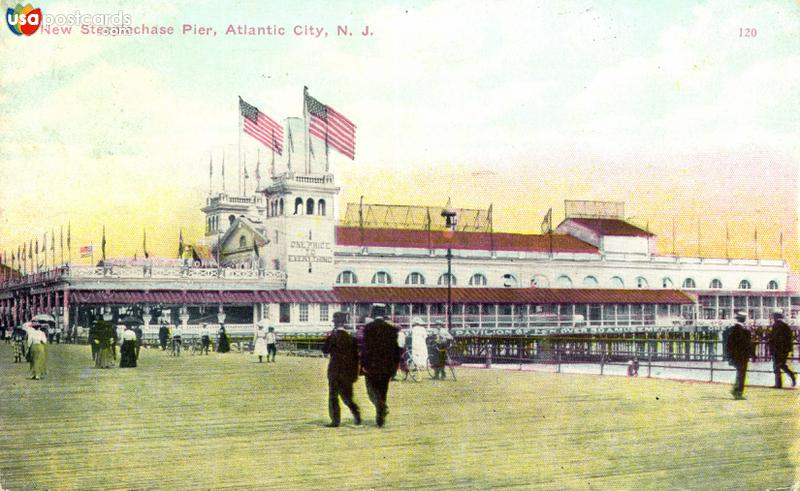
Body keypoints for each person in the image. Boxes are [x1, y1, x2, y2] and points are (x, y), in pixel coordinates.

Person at [361, 304, 400, 427]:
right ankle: (380, 420)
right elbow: (396, 351)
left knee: (371, 390)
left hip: (371, 366)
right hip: (387, 367)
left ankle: (382, 407)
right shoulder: (392, 329)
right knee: (383, 391)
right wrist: (394, 369)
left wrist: (362, 364)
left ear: (373, 314)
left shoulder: (368, 328)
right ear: (384, 314)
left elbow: (365, 349)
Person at [322, 312, 361, 427]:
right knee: (347, 396)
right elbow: (356, 358)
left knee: (333, 396)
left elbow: (325, 350)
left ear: (335, 323)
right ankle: (356, 414)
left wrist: (327, 338)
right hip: (347, 372)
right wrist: (354, 374)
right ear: (344, 324)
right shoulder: (351, 339)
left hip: (334, 371)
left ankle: (335, 420)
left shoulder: (332, 337)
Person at [724, 311, 754, 400]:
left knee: (739, 373)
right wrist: (752, 354)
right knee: (742, 374)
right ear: (744, 319)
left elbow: (729, 344)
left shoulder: (731, 330)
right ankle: (738, 392)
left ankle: (736, 389)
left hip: (735, 355)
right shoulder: (745, 331)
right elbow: (747, 344)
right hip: (743, 356)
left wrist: (729, 355)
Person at [768, 308, 796, 389]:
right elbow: (789, 338)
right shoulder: (785, 326)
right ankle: (789, 378)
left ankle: (779, 383)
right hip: (783, 350)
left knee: (777, 366)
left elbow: (773, 338)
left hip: (778, 349)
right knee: (781, 365)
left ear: (775, 317)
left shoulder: (776, 325)